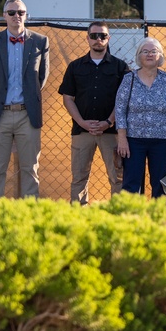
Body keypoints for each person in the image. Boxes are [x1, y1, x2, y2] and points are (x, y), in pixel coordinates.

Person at [0, 0, 49, 200]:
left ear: (26, 15)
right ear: (4, 16)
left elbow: (41, 78)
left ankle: (29, 216)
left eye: (20, 12)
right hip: (0, 115)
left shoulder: (40, 41)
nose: (16, 16)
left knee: (30, 169)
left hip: (28, 115)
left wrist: (28, 99)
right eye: (11, 12)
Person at [59, 21, 129, 205]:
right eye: (94, 36)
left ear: (108, 38)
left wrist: (109, 121)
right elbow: (67, 98)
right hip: (82, 132)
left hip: (112, 133)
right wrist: (82, 122)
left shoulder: (120, 67)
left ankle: (118, 216)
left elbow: (123, 100)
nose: (98, 40)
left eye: (103, 36)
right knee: (79, 178)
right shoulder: (75, 67)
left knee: (118, 178)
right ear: (87, 38)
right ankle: (79, 216)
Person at [115, 37, 166, 197]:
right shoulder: (129, 79)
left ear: (160, 55)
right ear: (139, 56)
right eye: (145, 51)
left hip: (162, 141)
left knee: (160, 185)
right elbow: (120, 109)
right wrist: (122, 139)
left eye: (154, 51)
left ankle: (158, 219)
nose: (149, 54)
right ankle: (131, 220)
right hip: (133, 141)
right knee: (131, 185)